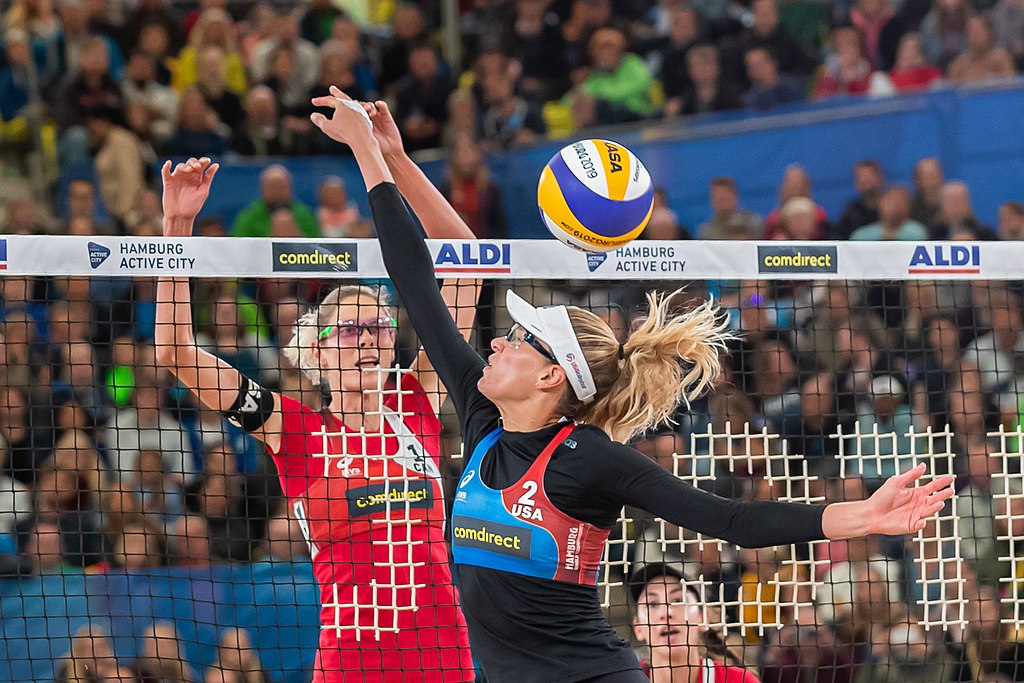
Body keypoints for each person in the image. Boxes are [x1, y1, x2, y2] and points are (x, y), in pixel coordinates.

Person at [310, 87, 956, 683]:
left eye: (519, 339)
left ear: (551, 375)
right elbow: (417, 278)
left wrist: (864, 516)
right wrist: (387, 158)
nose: (497, 343)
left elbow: (734, 520)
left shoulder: (586, 458)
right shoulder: (483, 422)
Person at [155, 153, 479, 679]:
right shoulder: (294, 428)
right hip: (351, 665)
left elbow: (468, 261)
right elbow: (177, 353)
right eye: (349, 329)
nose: (368, 339)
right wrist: (177, 224)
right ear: (317, 351)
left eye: (378, 327)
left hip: (444, 660)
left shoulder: (415, 401)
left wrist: (393, 157)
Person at [630, 563, 758, 682]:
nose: (666, 612)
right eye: (652, 604)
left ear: (703, 618)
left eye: (678, 600)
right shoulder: (623, 678)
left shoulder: (738, 680)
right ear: (638, 628)